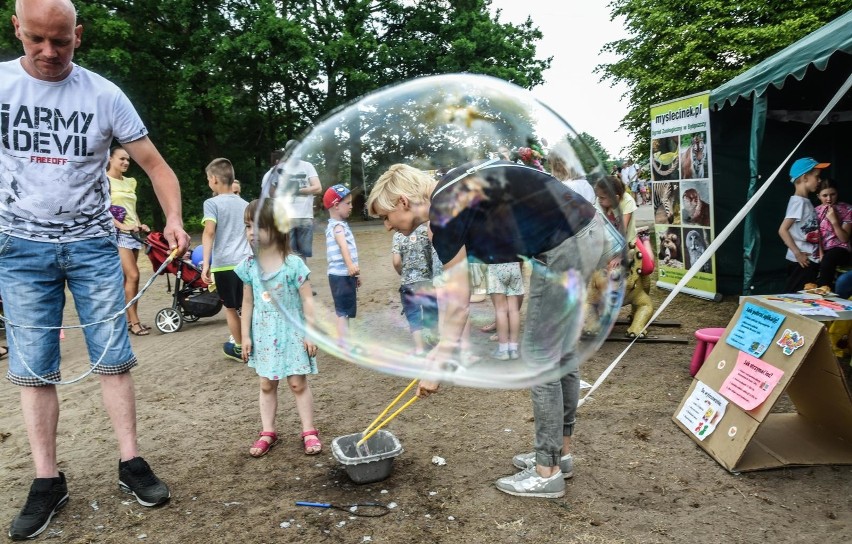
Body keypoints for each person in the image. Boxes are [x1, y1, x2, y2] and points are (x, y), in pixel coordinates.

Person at [0, 0, 191, 539]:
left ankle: (131, 463)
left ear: (78, 36)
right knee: (33, 367)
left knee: (114, 359)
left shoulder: (104, 94)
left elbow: (155, 165)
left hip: (91, 247)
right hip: (18, 248)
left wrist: (174, 218)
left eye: (60, 41)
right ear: (18, 28)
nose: (48, 52)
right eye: (36, 39)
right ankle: (46, 480)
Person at [366, 161, 623, 499]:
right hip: (587, 231)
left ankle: (547, 472)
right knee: (561, 352)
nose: (387, 227)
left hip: (567, 243)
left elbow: (458, 303)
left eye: (385, 217)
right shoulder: (449, 192)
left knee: (540, 357)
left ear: (402, 201)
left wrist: (438, 363)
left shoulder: (445, 209)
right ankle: (560, 454)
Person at [236, 199, 321, 457]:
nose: (251, 231)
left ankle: (308, 430)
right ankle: (268, 431)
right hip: (263, 334)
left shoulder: (294, 265)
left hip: (292, 332)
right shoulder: (249, 267)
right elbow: (247, 303)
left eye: (257, 225)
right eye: (247, 225)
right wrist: (244, 336)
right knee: (266, 384)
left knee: (297, 384)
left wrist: (309, 332)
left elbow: (307, 299)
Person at [200, 158, 251, 361]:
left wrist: (206, 263)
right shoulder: (246, 204)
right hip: (246, 262)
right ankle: (255, 342)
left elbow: (209, 232)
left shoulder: (211, 203)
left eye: (207, 179)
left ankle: (239, 348)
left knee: (231, 309)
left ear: (214, 179)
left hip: (224, 265)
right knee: (249, 305)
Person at [107, 146, 151, 336]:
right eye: (121, 159)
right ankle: (134, 322)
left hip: (133, 235)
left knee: (130, 279)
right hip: (118, 235)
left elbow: (132, 209)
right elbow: (102, 211)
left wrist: (139, 225)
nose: (125, 162)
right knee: (133, 276)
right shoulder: (104, 182)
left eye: (128, 160)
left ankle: (129, 319)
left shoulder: (130, 182)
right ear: (110, 159)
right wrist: (122, 226)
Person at [265, 140, 323, 264]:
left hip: (305, 216)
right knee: (288, 252)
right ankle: (292, 281)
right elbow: (271, 192)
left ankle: (303, 281)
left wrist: (298, 190)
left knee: (303, 253)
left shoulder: (307, 166)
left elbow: (318, 187)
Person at [778, 157, 826, 293]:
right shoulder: (798, 202)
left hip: (810, 259)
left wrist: (819, 253)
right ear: (805, 177)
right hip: (802, 261)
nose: (819, 180)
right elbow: (782, 230)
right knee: (794, 296)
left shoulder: (805, 201)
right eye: (817, 176)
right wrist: (797, 253)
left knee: (805, 296)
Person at [392, 223, 438, 355]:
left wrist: (403, 273)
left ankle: (419, 348)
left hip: (408, 283)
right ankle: (434, 345)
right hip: (427, 280)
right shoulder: (426, 231)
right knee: (431, 312)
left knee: (413, 315)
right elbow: (433, 256)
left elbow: (396, 262)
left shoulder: (398, 235)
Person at [324, 184, 360, 343]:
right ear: (336, 205)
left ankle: (345, 340)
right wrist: (350, 265)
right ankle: (343, 343)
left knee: (344, 310)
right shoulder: (338, 227)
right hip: (341, 275)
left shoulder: (337, 225)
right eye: (348, 203)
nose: (351, 207)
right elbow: (343, 245)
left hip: (341, 275)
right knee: (343, 312)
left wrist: (355, 275)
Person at [813, 178, 851, 290]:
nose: (829, 199)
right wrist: (820, 253)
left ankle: (823, 292)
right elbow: (816, 235)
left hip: (840, 249)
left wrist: (834, 221)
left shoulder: (847, 209)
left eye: (832, 194)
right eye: (825, 195)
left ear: (837, 193)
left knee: (829, 259)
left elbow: (844, 239)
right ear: (818, 196)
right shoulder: (815, 211)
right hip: (820, 248)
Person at [486, 261, 524, 360]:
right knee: (514, 310)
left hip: (497, 266)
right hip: (514, 267)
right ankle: (514, 349)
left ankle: (503, 351)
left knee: (501, 310)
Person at [595, 176, 638, 244]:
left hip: (627, 242)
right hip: (609, 244)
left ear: (615, 198)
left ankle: (645, 238)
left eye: (602, 198)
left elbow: (622, 230)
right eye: (598, 196)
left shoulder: (627, 201)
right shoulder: (600, 200)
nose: (599, 200)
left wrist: (613, 208)